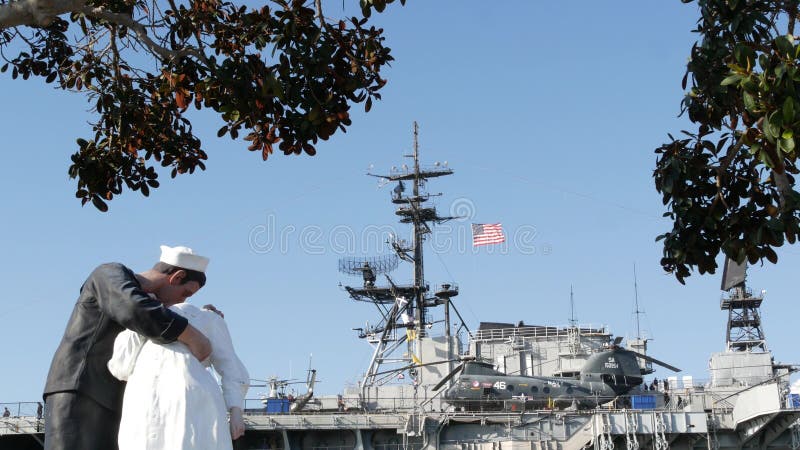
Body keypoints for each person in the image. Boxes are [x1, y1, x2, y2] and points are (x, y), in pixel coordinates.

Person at [42, 245, 213, 450]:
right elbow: (135, 308)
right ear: (177, 276)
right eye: (185, 293)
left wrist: (202, 316)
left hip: (115, 401)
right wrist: (193, 335)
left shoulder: (153, 305)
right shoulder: (108, 273)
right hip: (81, 389)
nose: (181, 301)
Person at [108, 301, 249, 450]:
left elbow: (230, 366)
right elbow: (119, 368)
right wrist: (141, 321)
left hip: (189, 403)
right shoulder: (137, 322)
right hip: (144, 399)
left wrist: (235, 409)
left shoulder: (206, 318)